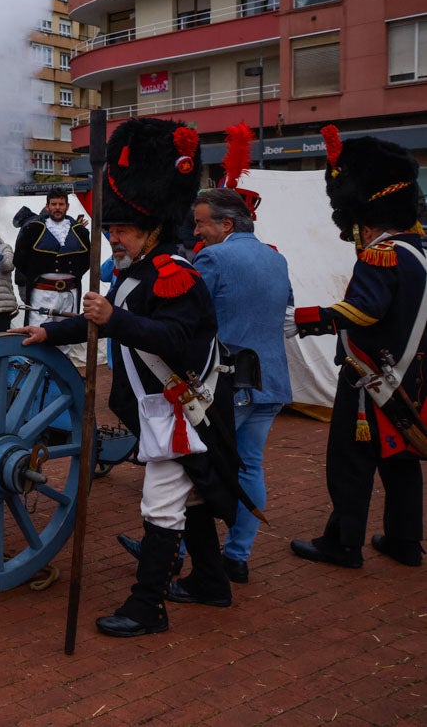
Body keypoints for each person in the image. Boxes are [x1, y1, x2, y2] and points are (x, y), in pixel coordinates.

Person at [13, 118, 241, 638]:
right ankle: (210, 581)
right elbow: (103, 314)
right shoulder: (139, 272)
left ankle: (147, 607)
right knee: (195, 498)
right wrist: (52, 332)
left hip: (184, 409)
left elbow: (178, 341)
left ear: (151, 226)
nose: (112, 236)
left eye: (121, 229)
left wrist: (115, 322)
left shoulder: (174, 275)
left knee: (161, 505)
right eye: (112, 228)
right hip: (164, 407)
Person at [291, 129, 425, 570]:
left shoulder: (381, 254)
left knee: (350, 465)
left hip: (369, 377)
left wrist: (307, 318)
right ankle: (405, 542)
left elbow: (363, 311)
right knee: (402, 461)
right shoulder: (418, 250)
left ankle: (343, 544)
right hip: (411, 377)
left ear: (367, 221)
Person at [191, 187, 292, 583]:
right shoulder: (275, 257)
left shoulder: (213, 257)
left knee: (200, 468)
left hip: (228, 381)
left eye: (201, 222)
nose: (197, 231)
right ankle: (236, 556)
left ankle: (179, 550)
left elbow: (192, 312)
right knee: (250, 466)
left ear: (226, 223)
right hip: (271, 380)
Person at [14, 187, 90, 326]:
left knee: (65, 336)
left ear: (67, 206)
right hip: (42, 292)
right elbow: (20, 260)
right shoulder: (33, 229)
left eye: (61, 204)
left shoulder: (80, 231)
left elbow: (86, 261)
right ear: (47, 206)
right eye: (54, 204)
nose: (57, 208)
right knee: (37, 332)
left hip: (69, 293)